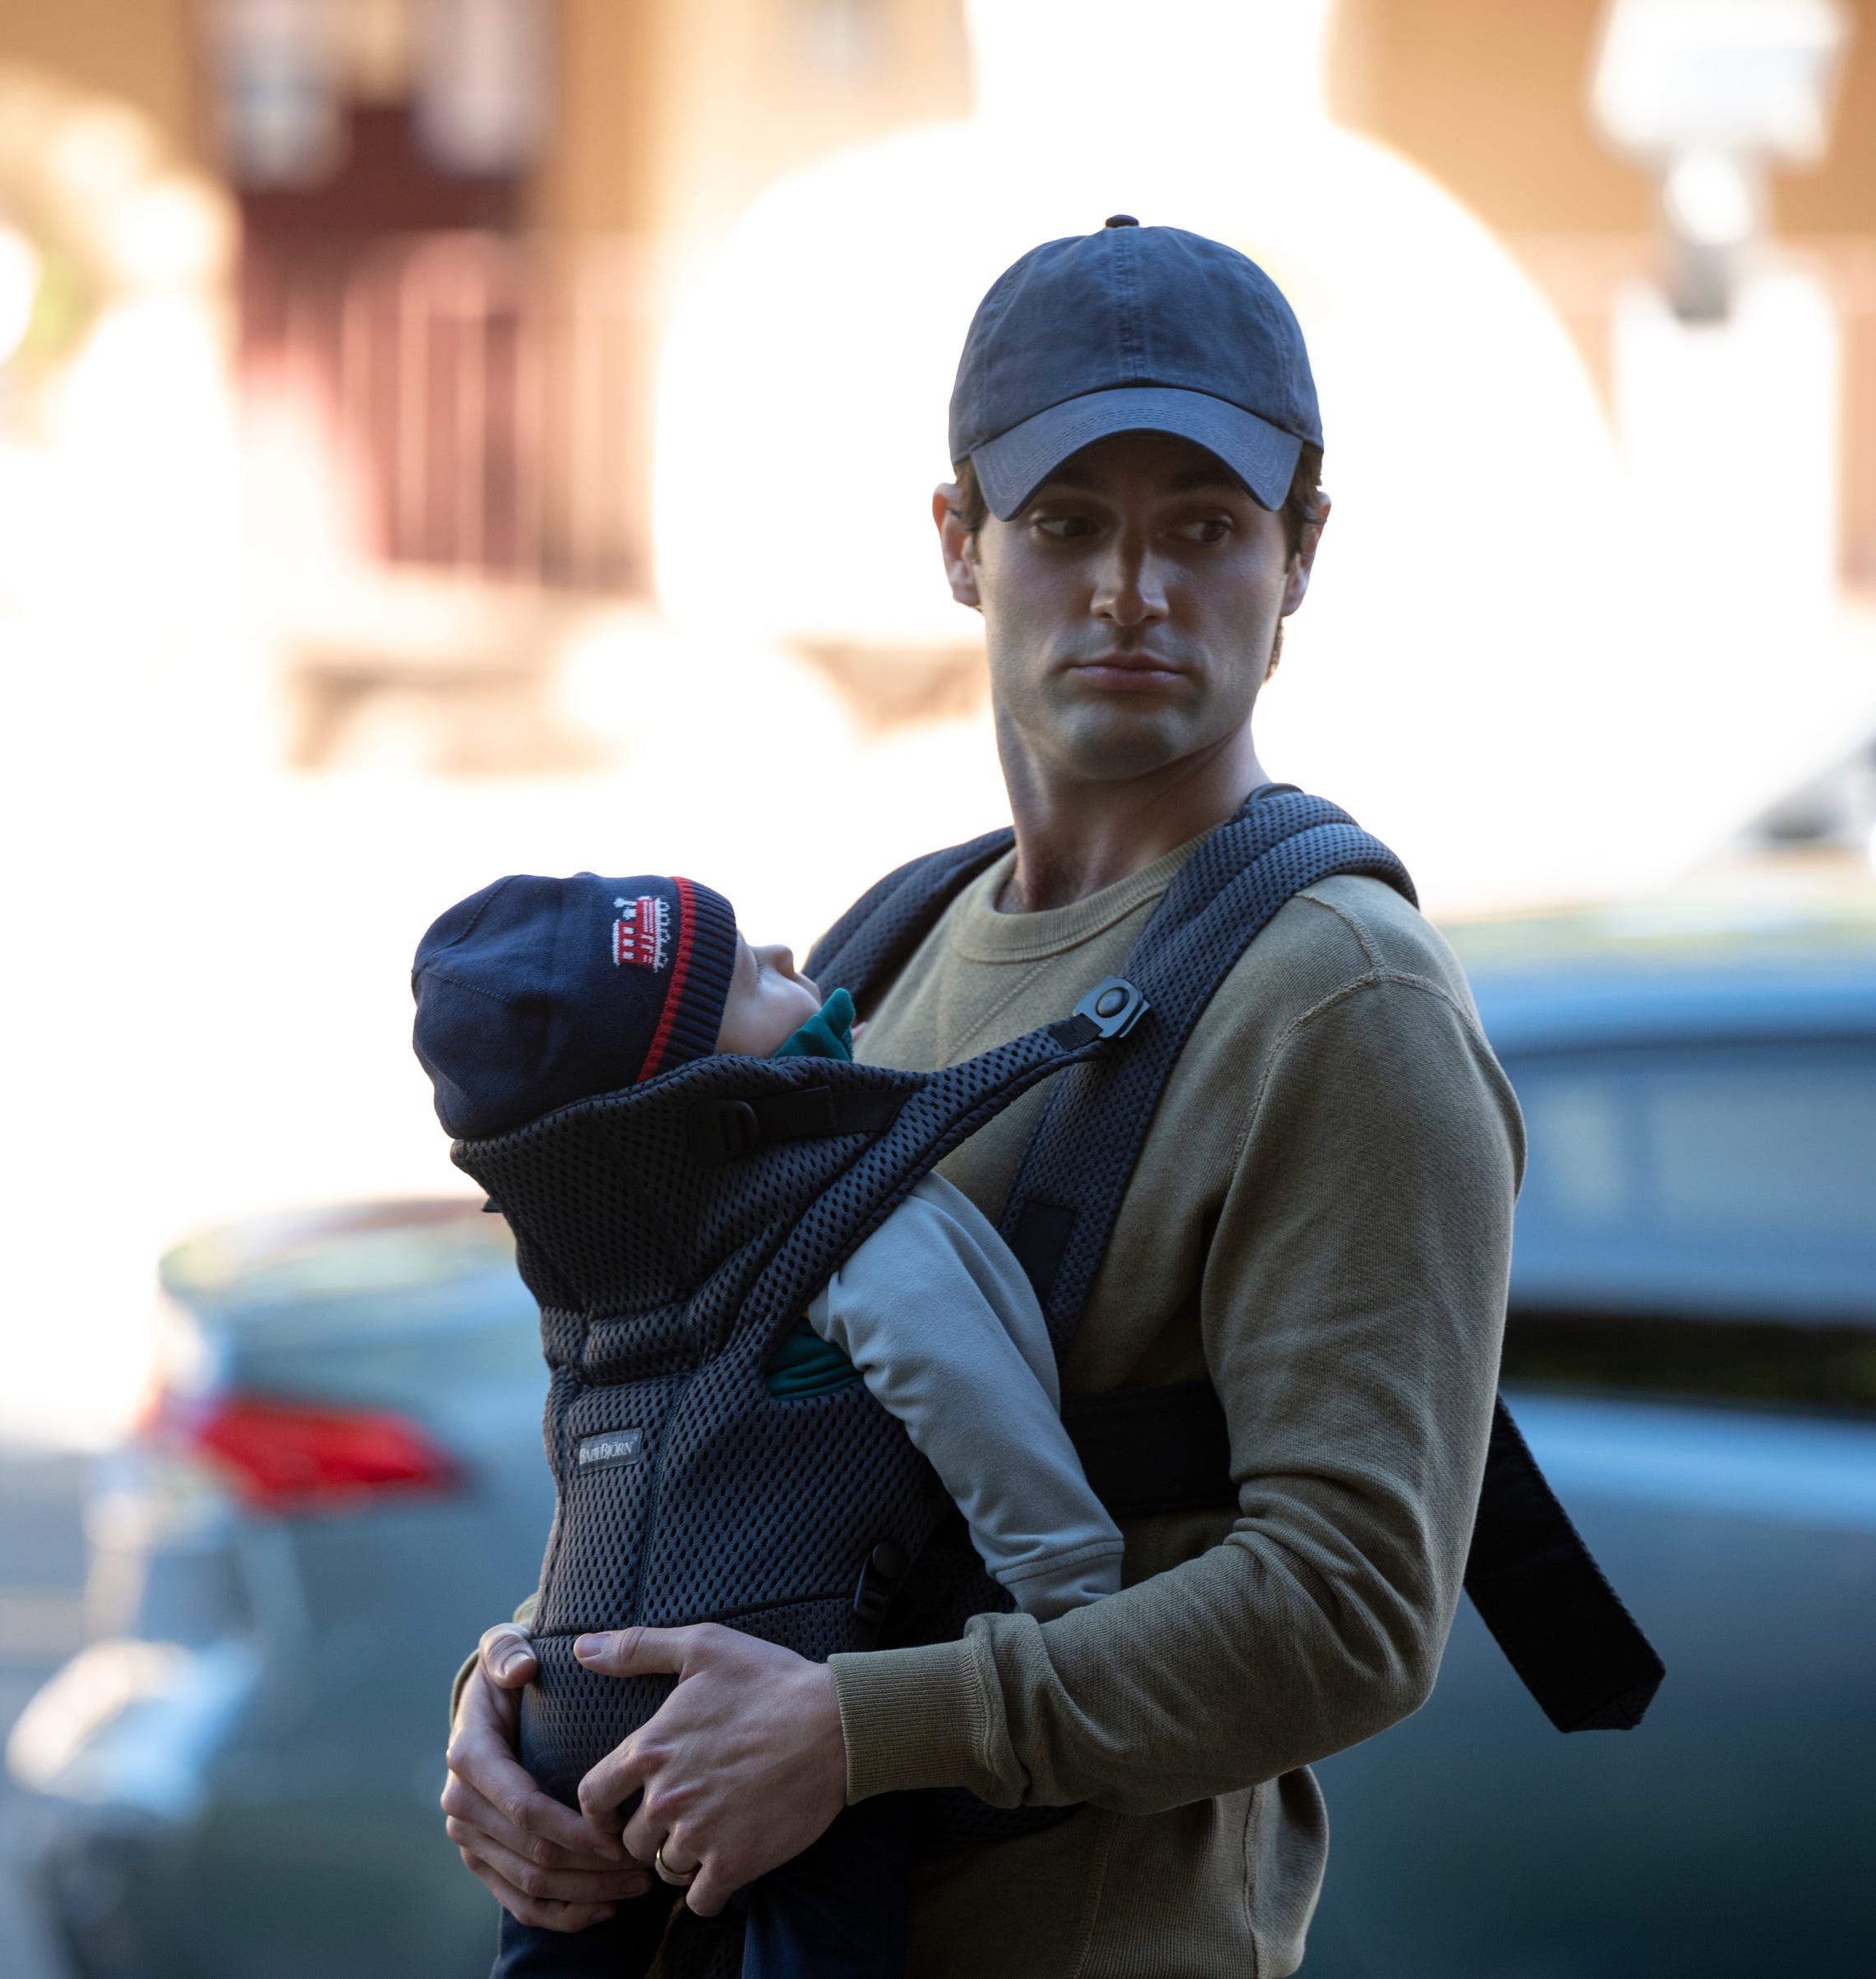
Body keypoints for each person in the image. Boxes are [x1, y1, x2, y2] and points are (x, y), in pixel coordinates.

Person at [439, 217, 1522, 1977]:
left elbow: (1352, 1611)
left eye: (1205, 528)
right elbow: (718, 1425)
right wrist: (521, 1700)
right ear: (960, 541)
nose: (1131, 592)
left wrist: (855, 1733)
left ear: (1301, 552)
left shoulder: (1346, 1002)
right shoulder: (885, 945)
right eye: (1066, 524)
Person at [410, 872, 1126, 1978]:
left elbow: (627, 1503)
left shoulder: (596, 1272)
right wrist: (1072, 1594)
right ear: (707, 1084)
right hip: (767, 1710)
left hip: (562, 1721)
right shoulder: (856, 1209)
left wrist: (509, 1678)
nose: (796, 956)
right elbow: (968, 1388)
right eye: (749, 973)